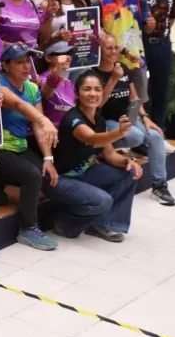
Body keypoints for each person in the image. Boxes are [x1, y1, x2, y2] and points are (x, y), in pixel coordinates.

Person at [48, 71, 142, 242]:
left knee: (129, 173)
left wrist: (128, 161)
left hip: (85, 174)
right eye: (87, 89)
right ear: (77, 94)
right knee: (102, 201)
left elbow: (110, 154)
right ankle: (65, 224)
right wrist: (119, 132)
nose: (93, 94)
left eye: (97, 89)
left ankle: (104, 225)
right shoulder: (73, 119)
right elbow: (93, 139)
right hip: (61, 180)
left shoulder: (99, 119)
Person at [0, 45, 59, 251]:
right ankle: (28, 228)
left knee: (46, 174)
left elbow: (37, 126)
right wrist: (44, 119)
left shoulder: (32, 88)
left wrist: (48, 158)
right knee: (32, 175)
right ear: (6, 65)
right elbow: (19, 105)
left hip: (20, 146)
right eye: (19, 62)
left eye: (28, 61)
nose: (26, 66)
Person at [93, 34, 175, 206]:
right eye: (108, 48)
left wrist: (145, 118)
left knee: (155, 136)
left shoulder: (122, 67)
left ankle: (159, 185)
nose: (113, 52)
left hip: (127, 116)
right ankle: (106, 151)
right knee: (136, 136)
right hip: (106, 121)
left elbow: (134, 97)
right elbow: (97, 105)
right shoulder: (94, 74)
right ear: (99, 50)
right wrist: (113, 79)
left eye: (115, 48)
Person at [133, 0, 175, 130]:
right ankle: (133, 129)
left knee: (160, 90)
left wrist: (160, 33)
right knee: (134, 88)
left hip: (161, 45)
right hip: (135, 47)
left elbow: (172, 17)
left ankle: (158, 131)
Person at [96, 0, 152, 107]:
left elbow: (146, 30)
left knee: (138, 104)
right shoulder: (100, 3)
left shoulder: (140, 0)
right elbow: (97, 35)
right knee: (110, 102)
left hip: (136, 60)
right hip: (110, 62)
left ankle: (138, 122)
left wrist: (151, 26)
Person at [40, 41, 76, 127]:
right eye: (63, 54)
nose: (68, 57)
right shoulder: (42, 79)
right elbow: (46, 92)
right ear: (48, 58)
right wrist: (58, 68)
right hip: (49, 132)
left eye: (69, 54)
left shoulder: (69, 84)